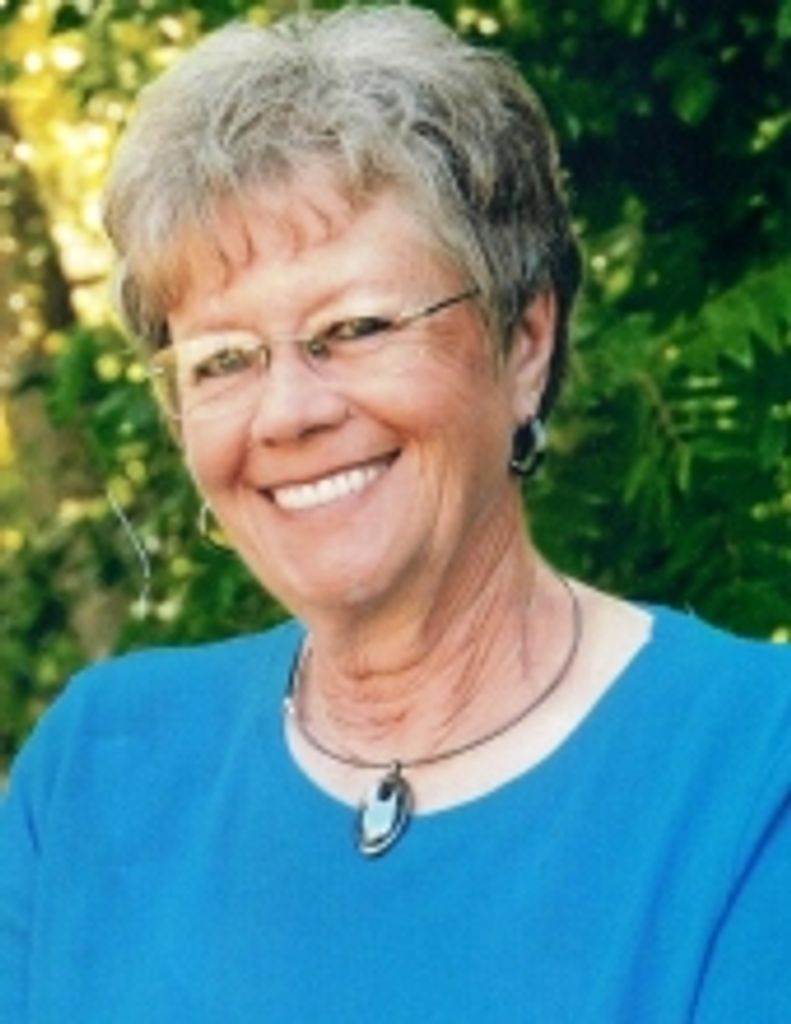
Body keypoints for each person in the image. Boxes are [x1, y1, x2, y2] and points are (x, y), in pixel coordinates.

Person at [1, 6, 789, 1021]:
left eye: (356, 327)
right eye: (224, 359)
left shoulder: (750, 772)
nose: (288, 411)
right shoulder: (97, 769)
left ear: (524, 342)